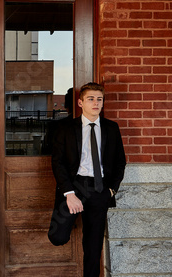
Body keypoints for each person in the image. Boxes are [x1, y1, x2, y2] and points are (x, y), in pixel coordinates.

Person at [48, 82, 126, 277]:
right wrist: (69, 194)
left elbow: (120, 162)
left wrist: (111, 191)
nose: (96, 103)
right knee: (57, 236)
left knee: (93, 247)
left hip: (100, 189)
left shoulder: (111, 128)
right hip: (75, 187)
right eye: (91, 99)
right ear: (80, 102)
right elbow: (58, 163)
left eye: (99, 99)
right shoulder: (65, 128)